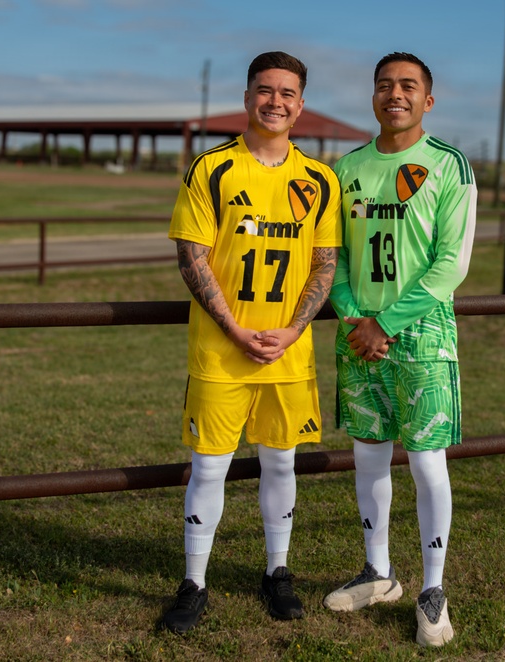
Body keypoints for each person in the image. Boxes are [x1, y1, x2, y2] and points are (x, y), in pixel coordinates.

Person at [160, 51, 341, 634]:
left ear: (301, 105)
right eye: (265, 90)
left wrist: (292, 330)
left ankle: (276, 571)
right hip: (221, 350)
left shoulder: (320, 179)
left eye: (288, 93)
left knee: (281, 464)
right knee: (209, 469)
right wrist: (234, 328)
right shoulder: (211, 168)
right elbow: (191, 255)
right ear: (246, 97)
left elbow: (323, 263)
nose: (276, 102)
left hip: (288, 354)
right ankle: (194, 582)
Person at [322, 52, 477, 648]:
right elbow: (332, 254)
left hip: (421, 336)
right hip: (359, 334)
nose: (396, 94)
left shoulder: (448, 165)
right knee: (367, 461)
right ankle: (378, 571)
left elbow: (451, 264)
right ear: (373, 97)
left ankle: (433, 590)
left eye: (409, 86)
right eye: (385, 85)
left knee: (427, 463)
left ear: (427, 100)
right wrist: (352, 312)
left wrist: (385, 320)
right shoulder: (348, 167)